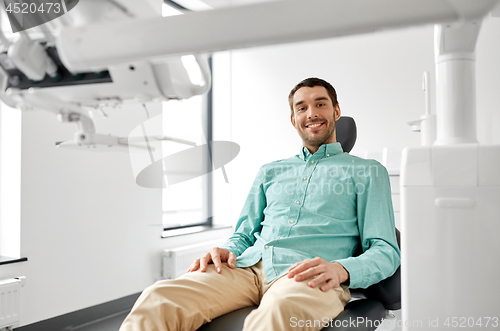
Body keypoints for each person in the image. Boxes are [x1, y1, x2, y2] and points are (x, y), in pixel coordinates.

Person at [119, 77, 400, 331]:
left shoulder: (367, 171)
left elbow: (385, 250)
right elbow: (242, 235)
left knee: (277, 314)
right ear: (293, 119)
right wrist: (225, 250)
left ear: (336, 112)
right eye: (301, 108)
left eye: (320, 104)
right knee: (159, 297)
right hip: (247, 268)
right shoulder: (270, 171)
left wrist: (340, 269)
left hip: (308, 276)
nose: (311, 113)